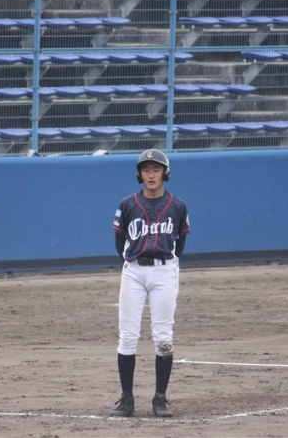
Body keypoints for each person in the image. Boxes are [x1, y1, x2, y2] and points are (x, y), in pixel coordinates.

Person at [109, 148, 190, 418]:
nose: (151, 174)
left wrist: (165, 265)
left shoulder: (177, 206)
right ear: (139, 175)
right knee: (127, 336)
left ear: (165, 173)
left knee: (163, 337)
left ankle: (160, 398)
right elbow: (119, 241)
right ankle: (127, 399)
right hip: (133, 271)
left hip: (164, 271)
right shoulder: (127, 204)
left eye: (156, 169)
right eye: (146, 170)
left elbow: (180, 243)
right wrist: (132, 262)